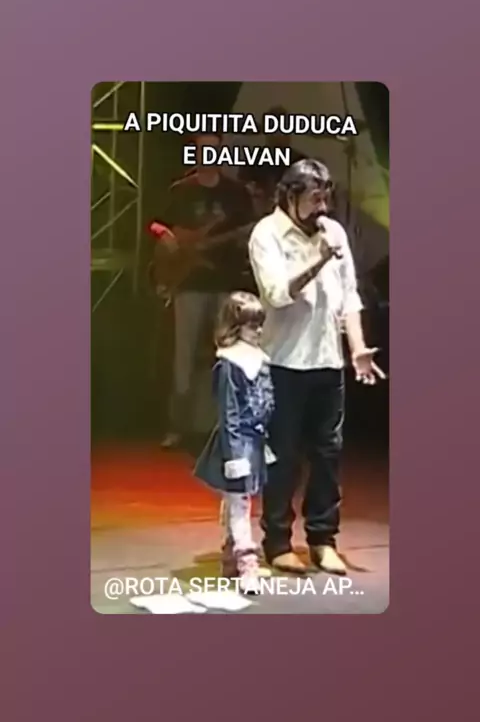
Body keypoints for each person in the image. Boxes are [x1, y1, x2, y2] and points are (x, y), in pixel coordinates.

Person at [248, 159, 386, 575]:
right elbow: (276, 294)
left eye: (326, 197)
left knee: (328, 455)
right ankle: (277, 542)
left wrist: (357, 348)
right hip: (284, 363)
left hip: (327, 362)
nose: (323, 206)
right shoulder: (267, 234)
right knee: (283, 456)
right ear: (290, 196)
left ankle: (323, 539)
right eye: (314, 198)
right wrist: (319, 260)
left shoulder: (334, 232)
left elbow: (349, 297)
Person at [159, 131, 255, 449]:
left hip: (224, 283)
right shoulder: (181, 190)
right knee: (183, 357)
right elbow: (156, 224)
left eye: (214, 150)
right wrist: (167, 238)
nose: (208, 155)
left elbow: (250, 231)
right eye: (203, 150)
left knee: (225, 355)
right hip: (189, 284)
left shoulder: (236, 193)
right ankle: (177, 427)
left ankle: (223, 425)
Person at [194, 292, 276, 593]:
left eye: (260, 325)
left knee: (240, 500)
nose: (258, 331)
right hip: (237, 443)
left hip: (255, 441)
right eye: (252, 325)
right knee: (239, 501)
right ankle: (246, 562)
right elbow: (228, 412)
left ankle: (231, 555)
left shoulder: (260, 360)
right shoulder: (230, 364)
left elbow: (265, 403)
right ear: (236, 326)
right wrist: (234, 455)